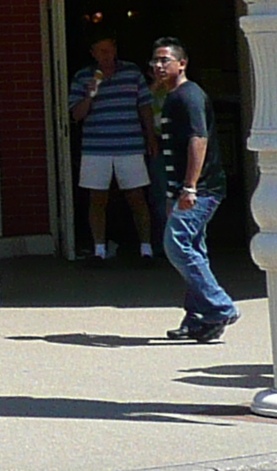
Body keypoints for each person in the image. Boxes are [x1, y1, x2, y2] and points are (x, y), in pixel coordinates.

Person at [152, 40, 236, 342]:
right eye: (155, 61)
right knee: (194, 249)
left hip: (201, 188)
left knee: (177, 244)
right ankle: (199, 317)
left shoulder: (189, 96)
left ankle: (219, 305)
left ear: (182, 64)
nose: (159, 66)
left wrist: (190, 187)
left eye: (165, 60)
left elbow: (198, 139)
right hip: (181, 188)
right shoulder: (171, 96)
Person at [68, 35, 154, 263]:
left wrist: (150, 138)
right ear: (93, 54)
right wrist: (90, 94)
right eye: (100, 51)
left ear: (115, 50)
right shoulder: (83, 77)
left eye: (109, 50)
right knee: (97, 198)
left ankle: (146, 249)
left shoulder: (132, 72)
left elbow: (145, 106)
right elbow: (76, 115)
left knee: (136, 196)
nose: (105, 56)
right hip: (96, 147)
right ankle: (99, 250)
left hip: (130, 144)